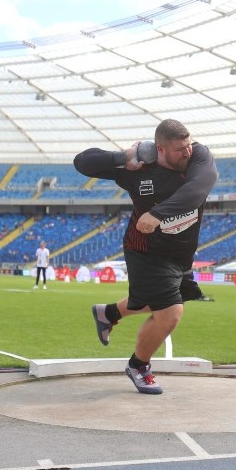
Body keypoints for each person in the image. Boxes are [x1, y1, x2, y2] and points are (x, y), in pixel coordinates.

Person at [74, 119, 217, 394]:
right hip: (146, 251)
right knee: (171, 312)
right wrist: (123, 157)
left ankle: (109, 313)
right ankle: (138, 365)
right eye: (179, 149)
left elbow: (197, 190)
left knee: (155, 302)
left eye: (188, 145)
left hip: (181, 255)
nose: (187, 152)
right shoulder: (138, 171)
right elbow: (82, 162)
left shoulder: (200, 156)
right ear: (160, 149)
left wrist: (157, 214)